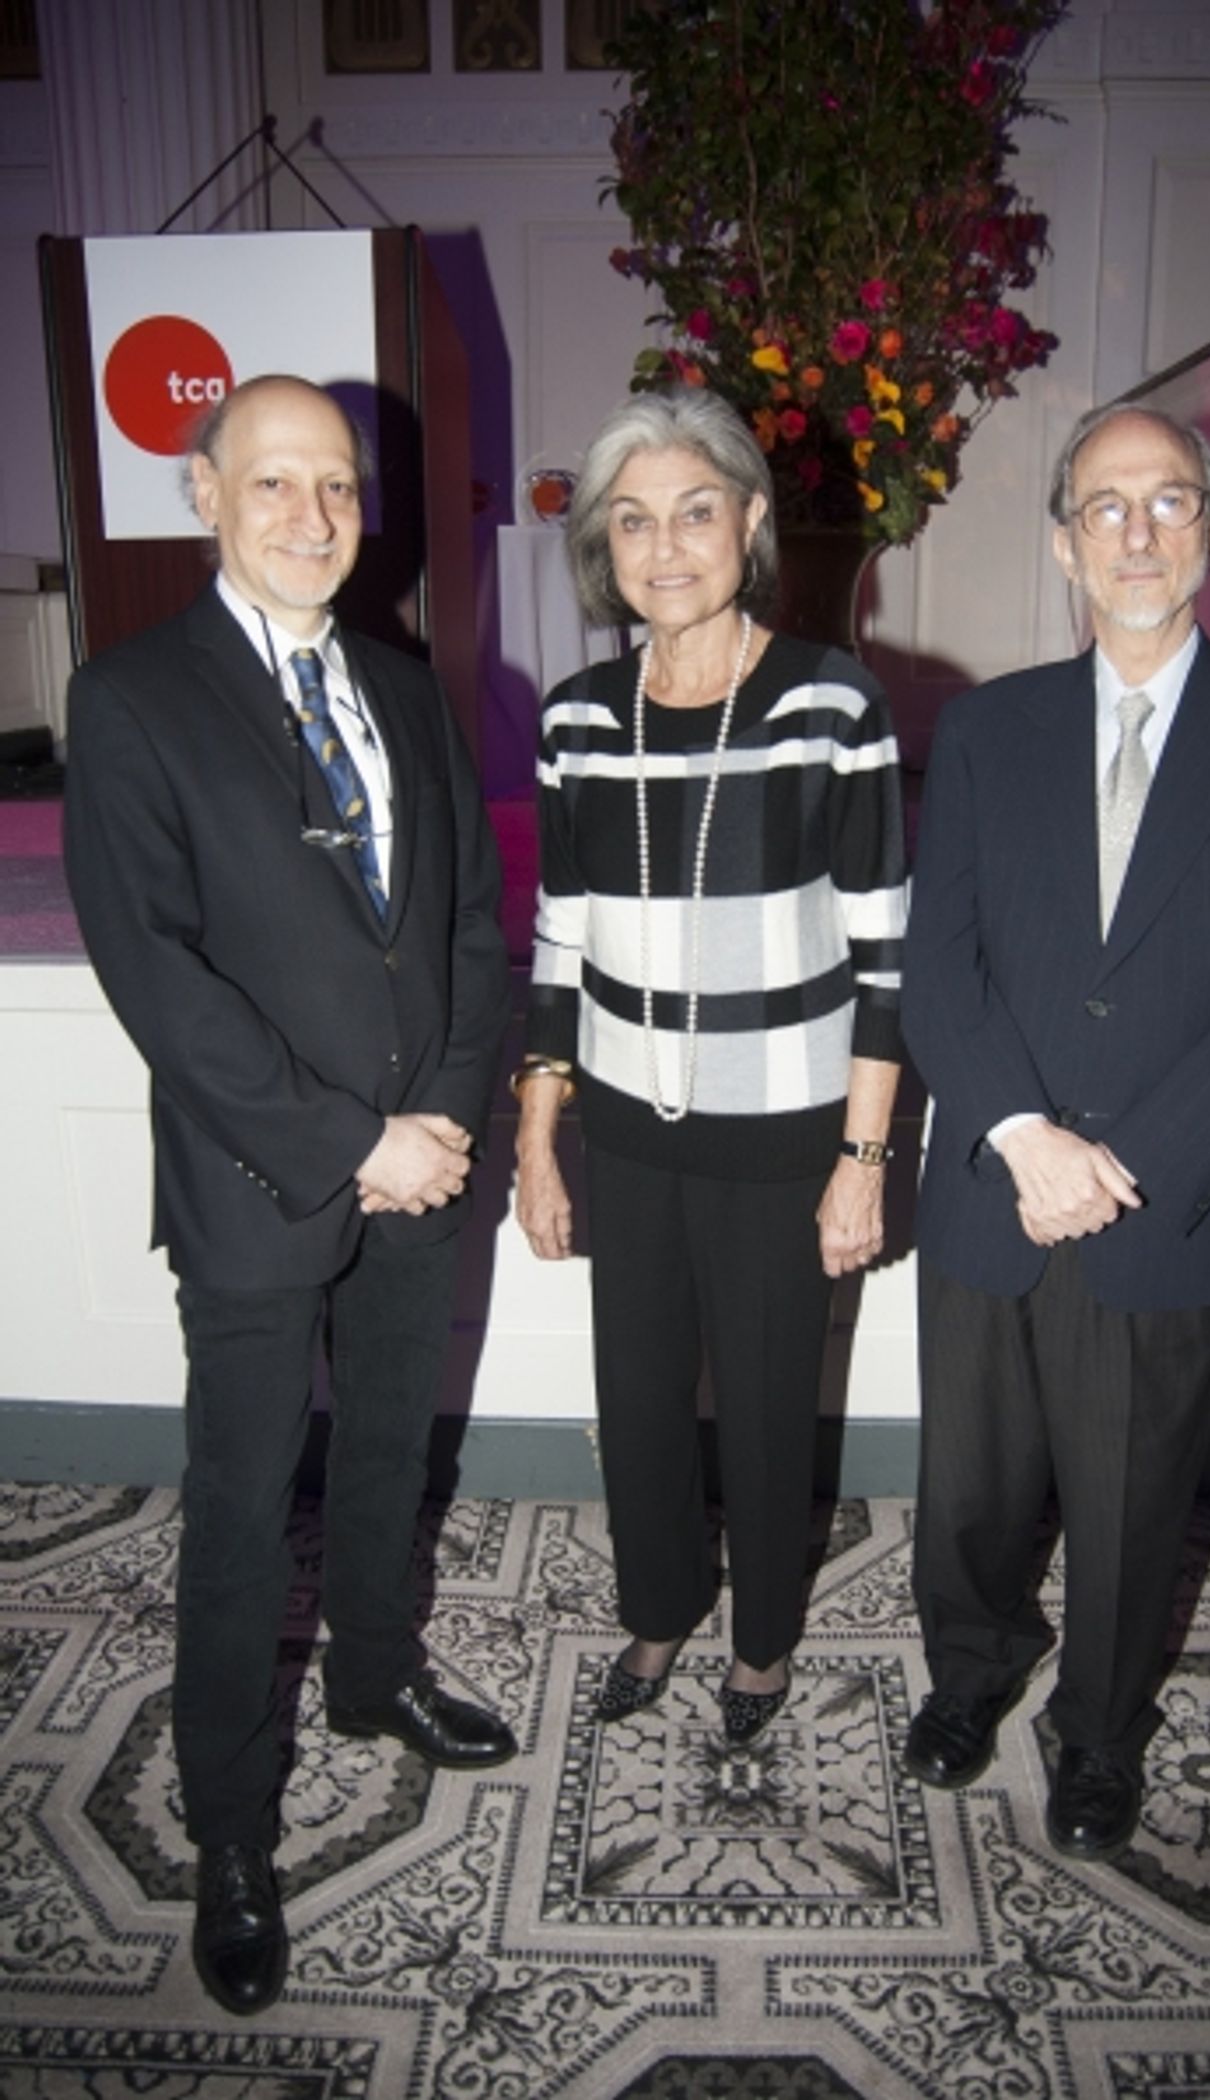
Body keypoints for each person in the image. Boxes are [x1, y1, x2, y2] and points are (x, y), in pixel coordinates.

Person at [63, 375, 517, 2017]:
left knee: (393, 1450)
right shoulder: (129, 697)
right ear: (204, 494)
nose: (313, 515)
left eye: (334, 484)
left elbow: (469, 931)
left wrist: (446, 1118)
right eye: (274, 483)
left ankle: (381, 1678)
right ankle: (232, 1829)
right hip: (265, 1182)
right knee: (244, 1510)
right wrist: (352, 1140)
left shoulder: (407, 688)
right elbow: (160, 983)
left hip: (423, 1170)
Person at [901, 403, 1210, 1862]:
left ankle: (1100, 1733)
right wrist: (1025, 1133)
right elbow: (940, 963)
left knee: (1128, 1500)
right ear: (1062, 542)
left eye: (1170, 505)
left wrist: (1124, 1162)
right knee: (968, 1487)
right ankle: (971, 1673)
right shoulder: (984, 727)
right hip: (993, 1182)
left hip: (1166, 1203)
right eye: (1106, 508)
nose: (1139, 534)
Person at [514, 389, 906, 1745]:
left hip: (784, 1127)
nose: (663, 545)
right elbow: (557, 942)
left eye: (694, 512)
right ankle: (661, 1607)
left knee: (762, 1397)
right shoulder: (575, 718)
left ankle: (765, 1644)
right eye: (632, 521)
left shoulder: (829, 701)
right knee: (636, 1403)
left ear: (747, 525)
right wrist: (537, 1138)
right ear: (603, 548)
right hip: (625, 1125)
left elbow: (885, 957)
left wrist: (862, 1163)